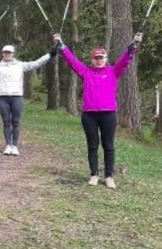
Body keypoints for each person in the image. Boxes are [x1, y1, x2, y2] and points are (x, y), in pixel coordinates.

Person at [53, 32, 142, 189]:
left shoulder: (113, 72)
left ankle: (109, 176)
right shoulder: (86, 72)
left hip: (108, 114)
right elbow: (72, 61)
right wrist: (61, 45)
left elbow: (125, 60)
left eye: (101, 57)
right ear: (92, 59)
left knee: (108, 145)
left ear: (106, 58)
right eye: (96, 58)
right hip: (89, 115)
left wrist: (133, 45)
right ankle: (94, 174)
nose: (99, 60)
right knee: (92, 145)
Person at [0, 41, 56, 155]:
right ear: (2, 54)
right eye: (5, 52)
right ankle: (8, 145)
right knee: (6, 122)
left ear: (13, 54)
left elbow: (36, 63)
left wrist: (49, 55)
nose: (7, 54)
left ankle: (14, 146)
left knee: (15, 121)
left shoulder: (20, 65)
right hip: (3, 98)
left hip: (17, 97)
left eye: (9, 52)